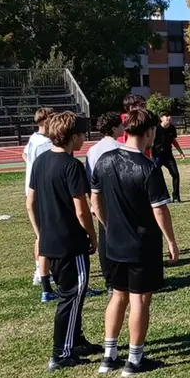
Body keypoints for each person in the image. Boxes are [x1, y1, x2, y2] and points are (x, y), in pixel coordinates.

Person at [91, 109, 179, 376]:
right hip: (142, 245)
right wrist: (172, 242)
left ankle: (108, 356)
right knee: (140, 300)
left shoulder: (104, 160)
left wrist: (109, 226)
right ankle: (134, 359)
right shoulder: (149, 168)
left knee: (118, 296)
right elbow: (160, 211)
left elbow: (95, 202)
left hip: (114, 244)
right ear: (150, 132)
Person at [26, 112, 101, 371]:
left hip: (50, 241)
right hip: (70, 243)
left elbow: (31, 201)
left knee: (74, 294)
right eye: (81, 135)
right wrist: (92, 236)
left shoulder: (41, 161)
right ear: (72, 137)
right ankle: (61, 353)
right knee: (72, 294)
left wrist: (40, 231)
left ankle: (76, 339)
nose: (84, 139)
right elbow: (82, 210)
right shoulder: (72, 166)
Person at [86, 112, 124, 295]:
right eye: (121, 125)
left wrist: (93, 204)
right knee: (123, 238)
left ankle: (109, 281)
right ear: (115, 128)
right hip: (118, 199)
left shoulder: (92, 150)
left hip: (99, 199)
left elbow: (89, 179)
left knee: (105, 238)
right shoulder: (121, 147)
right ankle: (122, 278)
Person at [23, 107, 56, 300]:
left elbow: (24, 155)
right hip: (40, 191)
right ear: (45, 121)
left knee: (40, 233)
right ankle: (41, 272)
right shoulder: (44, 142)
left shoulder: (33, 138)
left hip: (32, 189)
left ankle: (39, 269)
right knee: (42, 234)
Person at [152, 112, 186, 202]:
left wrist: (181, 152)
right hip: (157, 155)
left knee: (176, 175)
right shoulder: (156, 128)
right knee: (157, 177)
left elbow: (174, 141)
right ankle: (160, 197)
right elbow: (150, 142)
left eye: (170, 116)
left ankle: (176, 196)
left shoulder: (172, 128)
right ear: (161, 118)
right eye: (166, 116)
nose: (169, 117)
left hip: (168, 155)